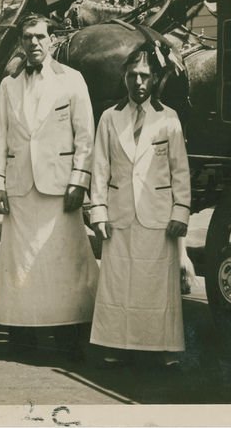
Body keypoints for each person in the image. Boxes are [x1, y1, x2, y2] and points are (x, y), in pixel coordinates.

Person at [0, 14, 99, 359]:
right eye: (27, 37)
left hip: (60, 188)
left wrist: (79, 181)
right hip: (20, 188)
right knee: (21, 264)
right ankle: (23, 336)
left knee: (64, 263)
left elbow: (86, 136)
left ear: (51, 40)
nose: (33, 43)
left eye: (39, 37)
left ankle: (68, 335)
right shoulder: (9, 85)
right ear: (20, 42)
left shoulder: (72, 81)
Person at [88, 42, 191, 366]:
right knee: (118, 281)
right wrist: (98, 211)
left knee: (154, 283)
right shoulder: (109, 118)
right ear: (124, 77)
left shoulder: (168, 119)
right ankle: (113, 345)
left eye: (145, 76)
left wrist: (180, 212)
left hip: (157, 214)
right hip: (119, 212)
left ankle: (161, 350)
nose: (139, 82)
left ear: (155, 79)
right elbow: (100, 167)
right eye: (132, 75)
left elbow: (180, 170)